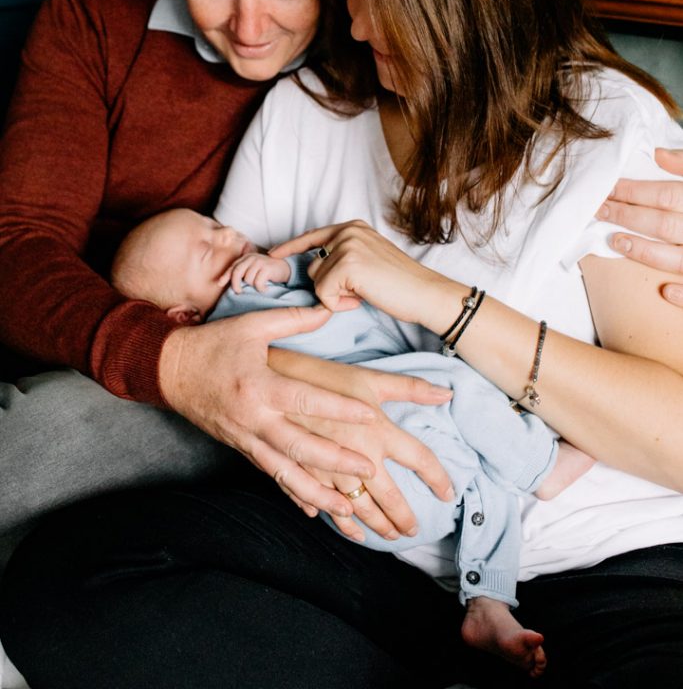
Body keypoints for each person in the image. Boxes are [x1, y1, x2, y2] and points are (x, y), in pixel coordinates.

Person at [2, 0, 682, 689]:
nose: (351, 24)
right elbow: (239, 326)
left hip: (595, 563)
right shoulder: (307, 109)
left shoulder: (603, 132)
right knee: (70, 576)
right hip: (382, 558)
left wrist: (436, 300)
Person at [0, 0, 463, 570]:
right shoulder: (95, 12)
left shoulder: (378, 35)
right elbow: (18, 244)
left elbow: (524, 70)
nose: (249, 31)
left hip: (308, 375)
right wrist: (174, 362)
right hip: (127, 353)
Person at [111, 205, 595, 675]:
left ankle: (487, 602)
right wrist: (280, 266)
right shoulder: (241, 305)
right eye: (207, 251)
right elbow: (325, 273)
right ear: (184, 318)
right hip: (376, 459)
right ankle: (542, 466)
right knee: (453, 383)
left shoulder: (241, 301)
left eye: (214, 225)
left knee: (484, 477)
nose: (227, 237)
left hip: (383, 501)